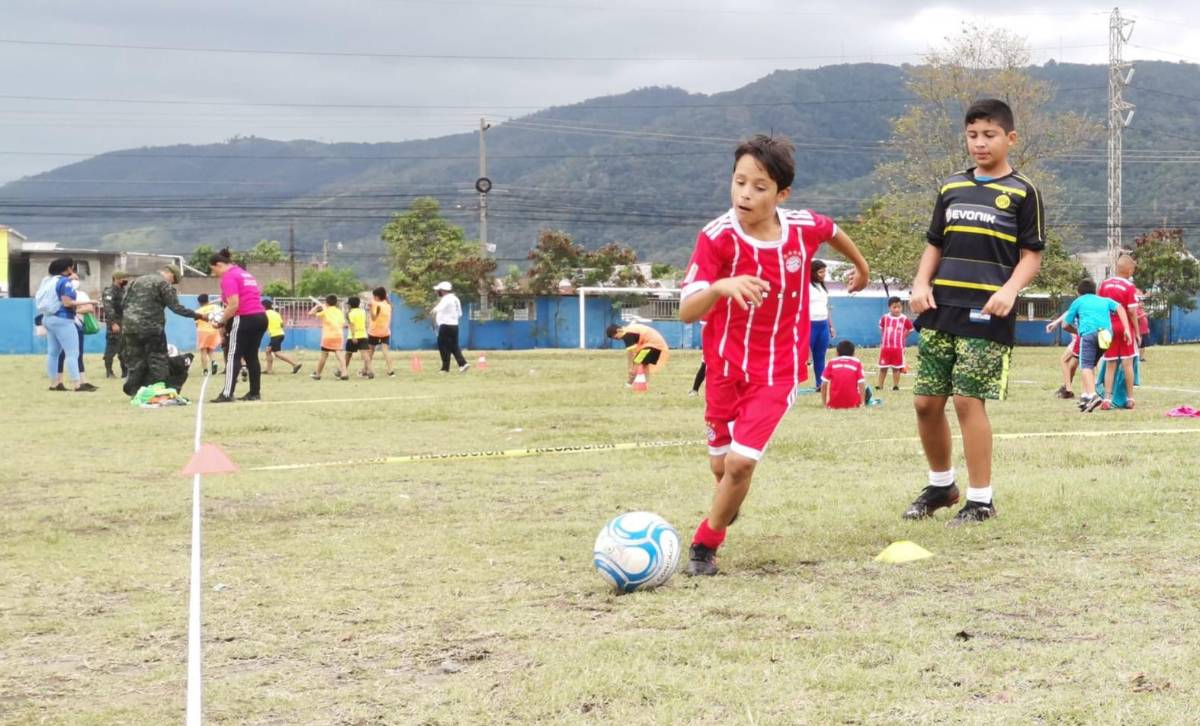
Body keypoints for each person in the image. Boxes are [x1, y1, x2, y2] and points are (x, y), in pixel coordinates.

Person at [677, 133, 870, 576]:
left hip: (778, 371)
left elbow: (833, 230)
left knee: (741, 464)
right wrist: (722, 286)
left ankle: (705, 544)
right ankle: (728, 499)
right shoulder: (716, 238)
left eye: (759, 186)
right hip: (724, 368)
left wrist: (861, 267)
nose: (745, 193)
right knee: (722, 467)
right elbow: (688, 311)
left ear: (781, 193)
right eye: (739, 182)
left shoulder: (801, 228)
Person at [903, 98, 1044, 526]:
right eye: (972, 136)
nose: (980, 144)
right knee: (926, 402)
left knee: (967, 401)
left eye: (989, 135)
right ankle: (942, 486)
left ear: (1010, 138)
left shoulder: (1023, 192)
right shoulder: (950, 187)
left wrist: (1010, 291)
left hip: (987, 313)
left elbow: (1031, 256)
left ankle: (981, 500)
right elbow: (935, 244)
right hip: (940, 308)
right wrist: (920, 283)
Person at [121, 265, 203, 396]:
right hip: (151, 328)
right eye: (174, 280)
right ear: (169, 274)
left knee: (135, 360)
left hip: (129, 327)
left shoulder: (136, 281)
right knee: (158, 360)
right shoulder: (163, 283)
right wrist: (200, 316)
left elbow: (123, 303)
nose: (172, 283)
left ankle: (134, 391)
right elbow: (176, 308)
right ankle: (159, 391)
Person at [1061, 278, 1131, 413]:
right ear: (1095, 291)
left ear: (1078, 292)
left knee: (1085, 365)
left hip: (1089, 333)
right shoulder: (1103, 300)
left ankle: (1093, 395)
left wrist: (1076, 331)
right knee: (1091, 364)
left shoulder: (1078, 301)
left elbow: (1065, 324)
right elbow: (1120, 307)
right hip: (1106, 335)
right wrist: (1126, 328)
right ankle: (1086, 396)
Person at [209, 248, 268, 403]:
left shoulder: (228, 277)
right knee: (251, 356)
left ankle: (227, 394)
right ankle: (254, 393)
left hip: (244, 318)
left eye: (213, 269)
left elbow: (233, 304)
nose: (213, 274)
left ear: (219, 264)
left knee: (233, 355)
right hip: (260, 317)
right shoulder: (245, 274)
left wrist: (221, 321)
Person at [1099, 254, 1141, 410]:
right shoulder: (1129, 287)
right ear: (1129, 270)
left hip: (1108, 327)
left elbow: (1100, 306)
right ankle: (1130, 399)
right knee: (1127, 363)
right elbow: (1132, 312)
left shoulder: (1105, 284)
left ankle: (1107, 399)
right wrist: (1136, 332)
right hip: (1124, 328)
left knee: (1110, 363)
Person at [606, 322, 670, 385]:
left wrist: (631, 368)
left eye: (616, 337)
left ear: (618, 330)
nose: (617, 339)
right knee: (644, 363)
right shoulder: (628, 330)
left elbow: (631, 354)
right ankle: (645, 383)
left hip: (653, 344)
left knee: (637, 361)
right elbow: (631, 351)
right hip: (657, 344)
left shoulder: (627, 334)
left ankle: (630, 383)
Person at [877, 296, 914, 391]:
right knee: (883, 367)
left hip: (898, 348)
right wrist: (884, 339)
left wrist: (903, 337)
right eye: (894, 307)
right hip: (886, 348)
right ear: (889, 307)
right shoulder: (884, 318)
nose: (897, 309)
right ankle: (880, 385)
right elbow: (881, 328)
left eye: (899, 307)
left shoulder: (904, 319)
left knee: (896, 368)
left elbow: (910, 329)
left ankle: (895, 385)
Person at [808, 259, 835, 388]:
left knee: (820, 356)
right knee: (803, 357)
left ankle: (820, 384)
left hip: (823, 325)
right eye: (820, 271)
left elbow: (826, 307)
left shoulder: (822, 287)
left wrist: (831, 325)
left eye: (825, 271)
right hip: (809, 324)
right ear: (813, 272)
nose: (823, 274)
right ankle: (790, 384)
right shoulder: (806, 287)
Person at [431, 281, 469, 373]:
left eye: (439, 290)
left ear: (443, 291)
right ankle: (462, 364)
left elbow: (439, 308)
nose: (437, 292)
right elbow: (460, 313)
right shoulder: (455, 299)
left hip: (445, 326)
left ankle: (445, 368)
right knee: (454, 346)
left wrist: (433, 310)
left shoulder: (446, 299)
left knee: (443, 346)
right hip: (454, 325)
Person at [310, 295, 349, 380]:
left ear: (326, 302)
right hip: (339, 335)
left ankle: (318, 374)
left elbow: (311, 314)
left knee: (324, 355)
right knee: (339, 354)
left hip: (328, 336)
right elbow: (342, 323)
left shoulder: (325, 311)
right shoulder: (339, 312)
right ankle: (344, 372)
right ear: (336, 303)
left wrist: (317, 307)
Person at [821, 340, 869, 409]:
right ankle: (862, 402)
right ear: (853, 353)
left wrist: (824, 404)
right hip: (853, 404)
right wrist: (863, 403)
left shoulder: (831, 362)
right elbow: (861, 383)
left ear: (837, 353)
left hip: (834, 404)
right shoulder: (856, 362)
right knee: (867, 389)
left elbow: (824, 384)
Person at [101, 270, 130, 378]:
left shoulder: (123, 291)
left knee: (124, 349)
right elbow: (109, 309)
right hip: (115, 323)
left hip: (124, 323)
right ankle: (109, 372)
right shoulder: (109, 292)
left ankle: (125, 372)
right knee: (111, 348)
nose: (126, 281)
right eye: (123, 278)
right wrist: (113, 323)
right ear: (116, 279)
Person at [1044, 311, 1079, 399]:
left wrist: (1055, 323)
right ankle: (1066, 389)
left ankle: (1068, 390)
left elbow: (1067, 319)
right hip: (1087, 337)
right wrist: (1056, 323)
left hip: (1082, 338)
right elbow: (1069, 312)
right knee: (1073, 365)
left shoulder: (1081, 301)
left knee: (1064, 360)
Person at [262, 299, 301, 375]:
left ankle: (295, 364)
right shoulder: (276, 313)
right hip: (280, 334)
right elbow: (282, 324)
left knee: (274, 352)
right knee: (271, 352)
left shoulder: (265, 313)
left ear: (264, 306)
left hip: (275, 335)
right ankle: (268, 369)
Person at [367, 287, 395, 377]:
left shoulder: (375, 304)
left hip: (374, 331)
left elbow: (373, 318)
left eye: (374, 296)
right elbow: (392, 306)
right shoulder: (388, 305)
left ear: (377, 297)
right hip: (385, 331)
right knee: (385, 351)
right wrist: (387, 298)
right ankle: (391, 370)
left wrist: (370, 308)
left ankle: (366, 370)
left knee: (370, 351)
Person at [194, 293, 223, 376]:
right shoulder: (216, 307)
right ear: (208, 300)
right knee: (210, 349)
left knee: (203, 350)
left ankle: (205, 370)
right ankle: (214, 362)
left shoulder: (197, 311)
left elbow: (196, 324)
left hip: (202, 331)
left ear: (199, 302)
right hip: (214, 330)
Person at [344, 295, 373, 378]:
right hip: (363, 335)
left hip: (352, 336)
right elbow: (366, 322)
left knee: (348, 355)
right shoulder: (363, 311)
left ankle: (342, 370)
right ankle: (370, 371)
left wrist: (353, 336)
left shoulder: (349, 313)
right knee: (365, 355)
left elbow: (352, 325)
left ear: (350, 305)